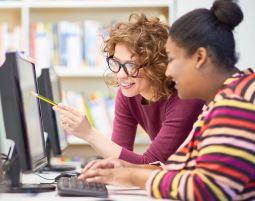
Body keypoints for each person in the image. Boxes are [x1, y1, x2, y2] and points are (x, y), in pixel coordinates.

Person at [78, 1, 255, 200]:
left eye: (172, 60)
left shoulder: (236, 103)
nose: (167, 71)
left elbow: (205, 189)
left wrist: (132, 175)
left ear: (199, 58)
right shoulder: (223, 100)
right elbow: (188, 170)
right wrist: (127, 167)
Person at [53, 13, 204, 164]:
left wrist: (89, 134)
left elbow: (151, 164)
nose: (120, 75)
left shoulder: (185, 98)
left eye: (131, 65)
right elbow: (119, 157)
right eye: (116, 63)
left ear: (156, 66)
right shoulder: (128, 95)